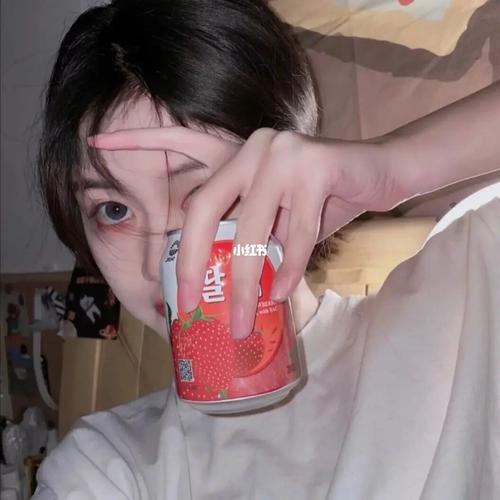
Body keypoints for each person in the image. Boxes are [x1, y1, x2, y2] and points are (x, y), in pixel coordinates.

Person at [33, 0, 499, 498]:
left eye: (203, 191)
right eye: (114, 211)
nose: (157, 266)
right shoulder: (104, 468)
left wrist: (394, 167)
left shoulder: (465, 302)